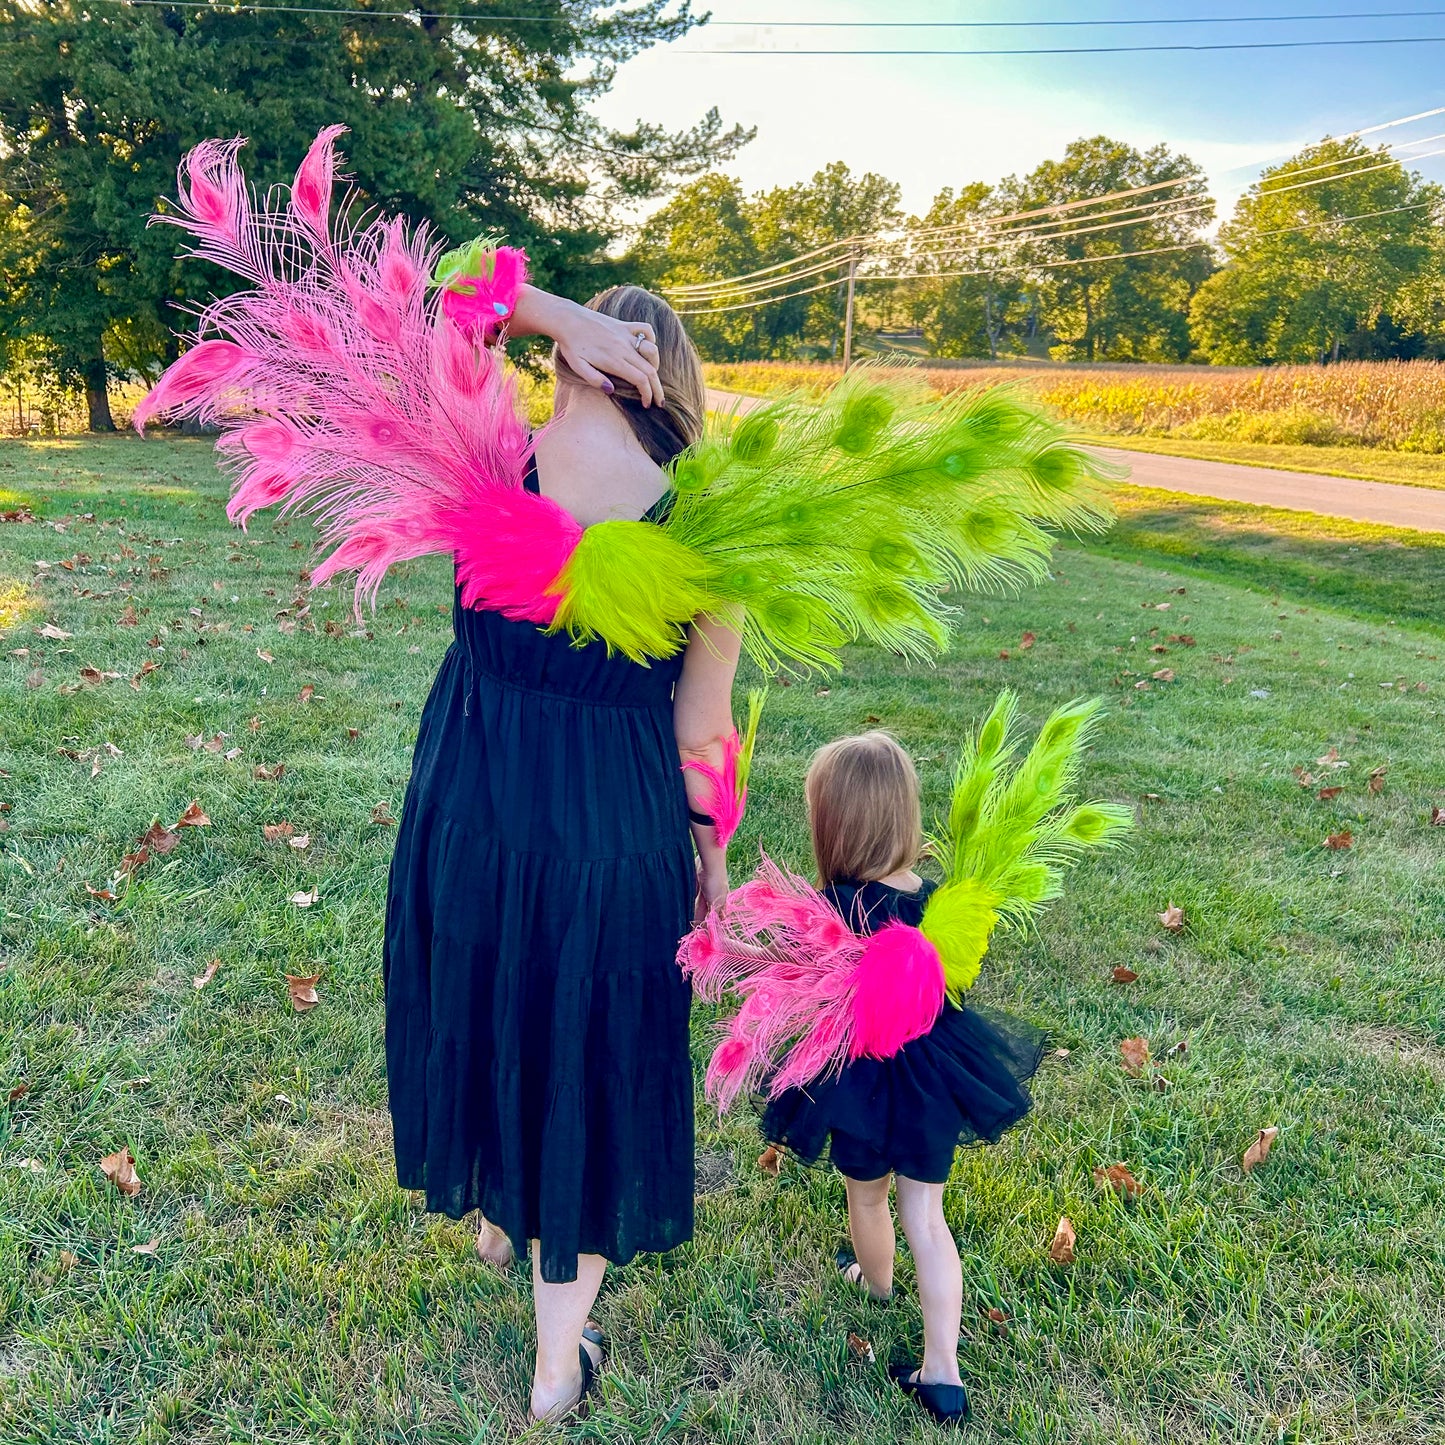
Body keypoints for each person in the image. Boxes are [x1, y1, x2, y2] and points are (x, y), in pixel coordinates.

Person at [381, 281, 742, 1421]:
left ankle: (499, 1215)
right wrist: (713, 856)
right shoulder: (705, 525)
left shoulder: (486, 451)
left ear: (577, 352)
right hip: (613, 830)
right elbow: (700, 729)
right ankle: (553, 1361)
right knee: (585, 1043)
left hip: (471, 804)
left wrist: (542, 315)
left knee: (491, 992)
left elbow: (440, 304)